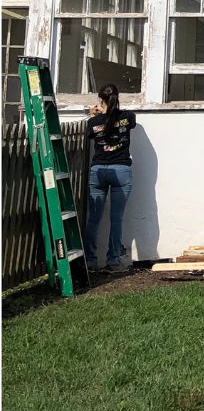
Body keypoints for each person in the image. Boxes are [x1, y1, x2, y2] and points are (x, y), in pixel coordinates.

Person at [85, 83, 136, 273]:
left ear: (101, 100)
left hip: (98, 170)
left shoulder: (93, 122)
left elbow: (91, 132)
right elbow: (129, 122)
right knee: (116, 219)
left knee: (93, 219)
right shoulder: (128, 117)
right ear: (117, 98)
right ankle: (113, 260)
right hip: (121, 170)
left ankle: (90, 260)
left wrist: (94, 114)